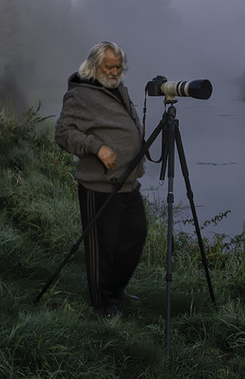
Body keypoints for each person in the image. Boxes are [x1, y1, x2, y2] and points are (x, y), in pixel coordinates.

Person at [54, 41, 148, 318]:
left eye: (119, 66)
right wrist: (96, 147)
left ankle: (116, 290)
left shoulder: (118, 88)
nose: (115, 71)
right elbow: (63, 133)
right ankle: (102, 303)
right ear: (95, 66)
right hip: (100, 185)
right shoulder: (81, 95)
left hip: (128, 182)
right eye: (110, 66)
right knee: (102, 247)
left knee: (135, 236)